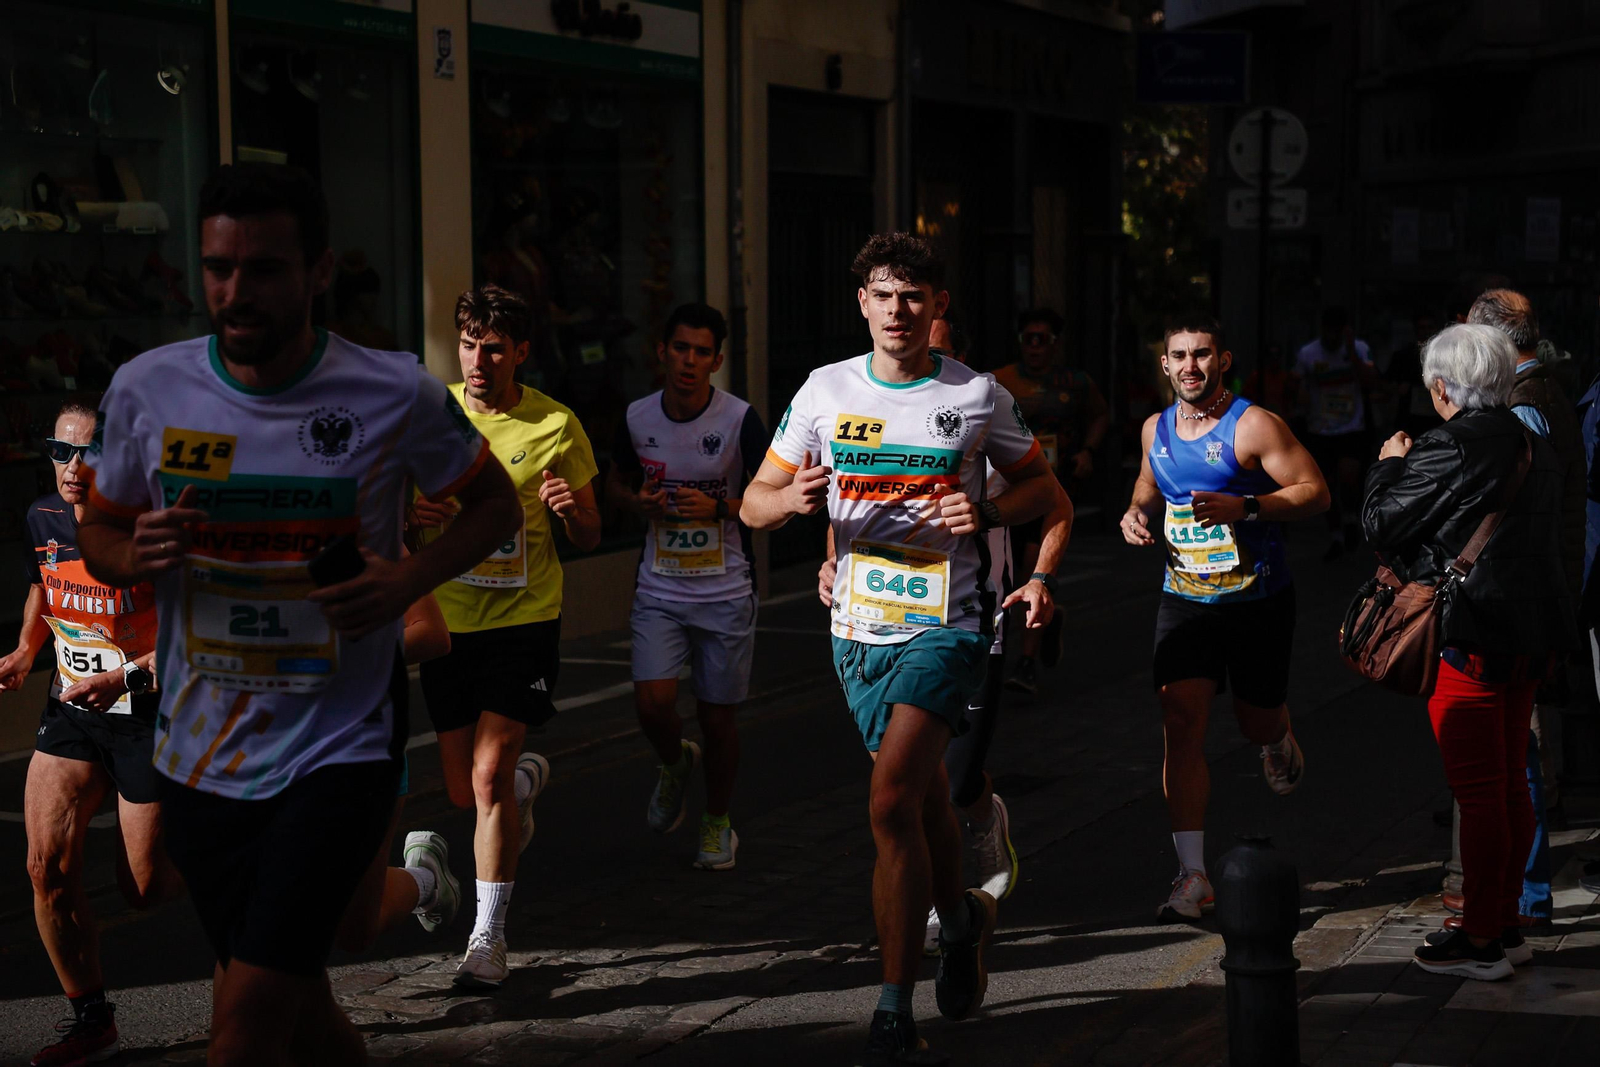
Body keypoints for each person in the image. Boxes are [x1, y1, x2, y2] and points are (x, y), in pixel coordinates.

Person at [74, 162, 523, 1065]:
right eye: (217, 268)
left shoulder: (391, 390)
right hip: (200, 758)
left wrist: (404, 581)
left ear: (319, 270)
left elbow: (494, 508)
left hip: (336, 750)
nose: (236, 293)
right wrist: (137, 552)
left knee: (240, 1027)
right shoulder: (146, 389)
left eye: (264, 270)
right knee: (297, 1003)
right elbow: (100, 529)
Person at [743, 233, 1058, 1066]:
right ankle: (961, 923)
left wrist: (986, 515)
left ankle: (891, 1005)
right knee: (920, 805)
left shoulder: (976, 393)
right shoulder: (824, 389)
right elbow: (751, 501)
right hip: (855, 630)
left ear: (937, 306)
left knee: (888, 803)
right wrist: (791, 500)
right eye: (884, 294)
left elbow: (1044, 490)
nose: (898, 310)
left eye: (914, 296)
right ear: (863, 303)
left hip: (946, 628)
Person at [820, 312, 1076, 953]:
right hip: (879, 622)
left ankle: (981, 819)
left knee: (953, 780)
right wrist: (831, 558)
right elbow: (851, 509)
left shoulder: (977, 417)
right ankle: (946, 910)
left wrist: (1039, 577)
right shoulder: (872, 412)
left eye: (932, 353)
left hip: (969, 621)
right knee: (910, 783)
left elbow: (1055, 502)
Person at [1363, 323, 1577, 980]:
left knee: (1479, 791)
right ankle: (1504, 922)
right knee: (1507, 781)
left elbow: (1380, 522)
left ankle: (1484, 937)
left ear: (1441, 386)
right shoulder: (1527, 438)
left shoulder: (1450, 444)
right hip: (1525, 635)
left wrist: (1388, 462)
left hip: (1470, 635)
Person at [412, 283, 601, 988]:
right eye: (469, 344)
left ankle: (486, 938)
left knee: (485, 778)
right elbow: (397, 514)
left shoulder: (556, 424)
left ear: (521, 351)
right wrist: (417, 518)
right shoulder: (434, 417)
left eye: (494, 346)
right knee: (466, 792)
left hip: (525, 619)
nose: (479, 359)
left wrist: (566, 511)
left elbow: (590, 530)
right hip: (449, 624)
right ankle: (522, 784)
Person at [1121, 316, 1329, 922]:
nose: (1190, 366)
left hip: (1256, 601)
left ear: (1223, 360)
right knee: (1181, 720)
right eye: (1179, 355)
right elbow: (1146, 481)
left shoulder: (1254, 424)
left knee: (1254, 719)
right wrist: (1136, 511)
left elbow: (1315, 491)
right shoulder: (1154, 428)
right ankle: (1194, 875)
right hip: (1184, 599)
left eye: (1202, 355)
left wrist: (1249, 506)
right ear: (1164, 364)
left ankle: (1277, 733)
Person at [0, 402, 184, 1067]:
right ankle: (91, 1016)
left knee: (146, 888)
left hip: (146, 714)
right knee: (45, 866)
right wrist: (25, 649)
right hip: (74, 711)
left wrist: (125, 679)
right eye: (61, 450)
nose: (74, 467)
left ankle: (221, 849)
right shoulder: (41, 517)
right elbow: (43, 589)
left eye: (91, 452)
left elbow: (187, 638)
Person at [607, 302, 767, 869]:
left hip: (725, 590)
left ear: (717, 361)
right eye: (681, 349)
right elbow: (615, 482)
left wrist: (720, 506)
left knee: (718, 718)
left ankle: (717, 822)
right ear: (662, 352)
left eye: (702, 352)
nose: (690, 361)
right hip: (660, 587)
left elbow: (774, 497)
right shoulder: (637, 417)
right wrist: (634, 501)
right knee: (652, 707)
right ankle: (675, 762)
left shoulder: (739, 420)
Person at [1449, 290, 1584, 935]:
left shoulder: (1526, 405)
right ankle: (1511, 897)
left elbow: (1518, 508)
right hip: (1535, 600)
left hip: (1515, 607)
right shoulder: (1542, 394)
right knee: (1513, 761)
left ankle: (1515, 899)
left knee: (1511, 763)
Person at [335, 564, 460, 953]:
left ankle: (425, 880)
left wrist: (331, 658)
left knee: (352, 930)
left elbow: (431, 633)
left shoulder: (359, 529)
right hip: (262, 746)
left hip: (357, 740)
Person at [993, 308, 1109, 693]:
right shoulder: (1001, 381)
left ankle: (1025, 662)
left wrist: (1088, 451)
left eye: (1044, 339)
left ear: (1056, 344)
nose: (1036, 347)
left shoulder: (1074, 382)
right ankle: (1042, 622)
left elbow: (1099, 416)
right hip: (1011, 489)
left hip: (1054, 488)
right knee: (1007, 574)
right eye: (1029, 338)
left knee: (1032, 567)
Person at [1293, 306, 1375, 559]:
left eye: (1337, 331)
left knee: (1349, 476)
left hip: (1351, 426)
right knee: (1326, 484)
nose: (1332, 336)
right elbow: (1297, 386)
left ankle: (1351, 519)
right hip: (1320, 429)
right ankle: (1336, 536)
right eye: (1328, 330)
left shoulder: (1359, 349)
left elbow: (1370, 380)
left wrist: (1350, 350)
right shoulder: (1308, 353)